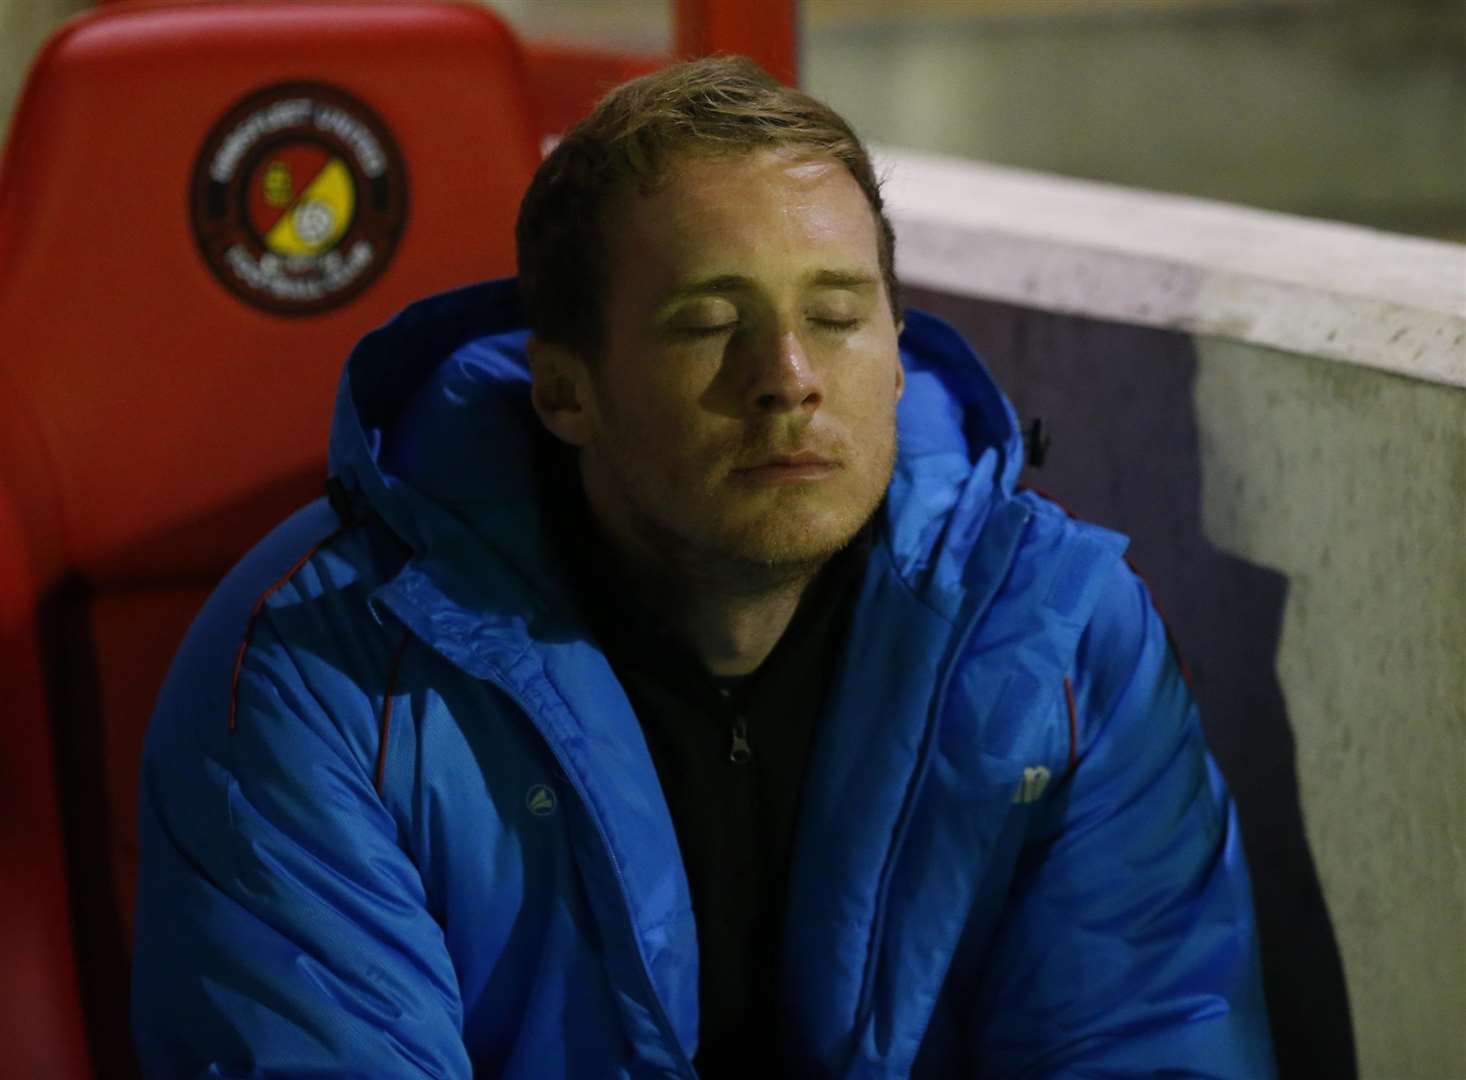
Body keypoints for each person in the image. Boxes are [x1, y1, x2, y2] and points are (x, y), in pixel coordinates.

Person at [131, 56, 1276, 1078]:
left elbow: (1152, 1037)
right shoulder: (321, 674)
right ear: (566, 391)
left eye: (834, 315)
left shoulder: (1062, 637)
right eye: (705, 322)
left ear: (893, 357)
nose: (786, 376)